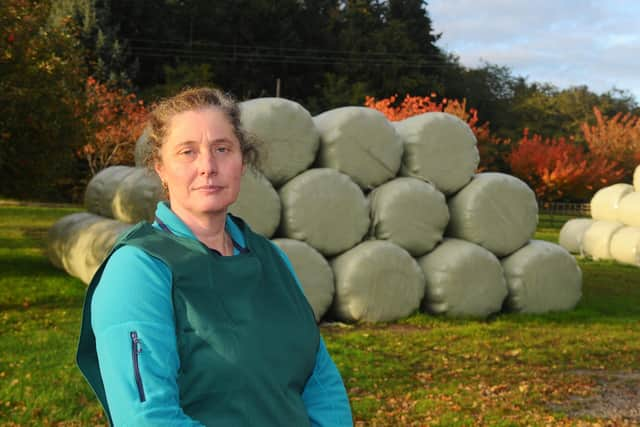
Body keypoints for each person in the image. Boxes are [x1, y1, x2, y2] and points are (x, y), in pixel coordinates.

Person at [76, 87, 353, 426]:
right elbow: (147, 418)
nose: (208, 166)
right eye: (187, 152)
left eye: (222, 149)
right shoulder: (138, 269)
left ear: (242, 161)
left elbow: (320, 378)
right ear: (161, 168)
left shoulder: (271, 258)